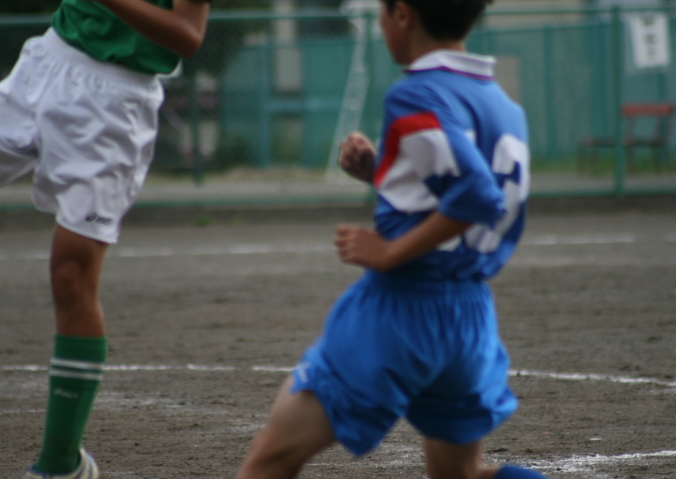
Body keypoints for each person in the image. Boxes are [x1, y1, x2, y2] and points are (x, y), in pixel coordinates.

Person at [235, 1, 549, 479]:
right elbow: (458, 187)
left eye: (381, 13)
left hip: (401, 313)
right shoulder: (501, 102)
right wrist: (381, 172)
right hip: (468, 319)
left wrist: (389, 251)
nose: (380, 26)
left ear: (403, 14)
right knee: (462, 476)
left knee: (270, 459)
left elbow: (476, 194)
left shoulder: (417, 92)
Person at [0, 0, 211, 477]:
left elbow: (188, 34)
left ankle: (60, 466)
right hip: (45, 60)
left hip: (112, 102)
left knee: (70, 275)